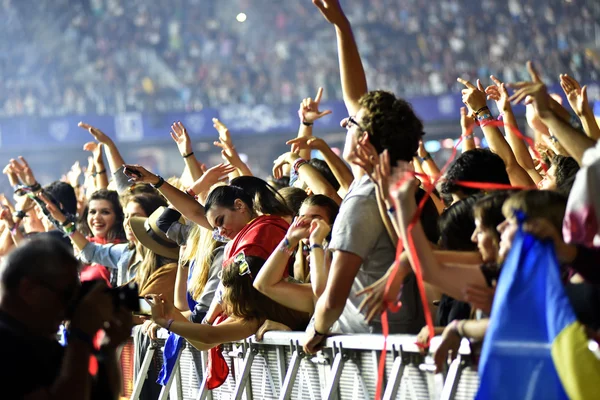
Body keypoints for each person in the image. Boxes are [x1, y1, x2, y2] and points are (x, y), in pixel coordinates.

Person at [0, 236, 132, 399]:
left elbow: (98, 396)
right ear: (28, 289)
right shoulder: (5, 343)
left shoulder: (39, 340)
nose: (71, 306)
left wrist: (108, 350)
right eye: (66, 294)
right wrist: (80, 336)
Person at [79, 190, 127, 286]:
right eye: (92, 212)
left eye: (105, 212)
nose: (96, 217)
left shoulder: (123, 251)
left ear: (118, 217)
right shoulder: (82, 247)